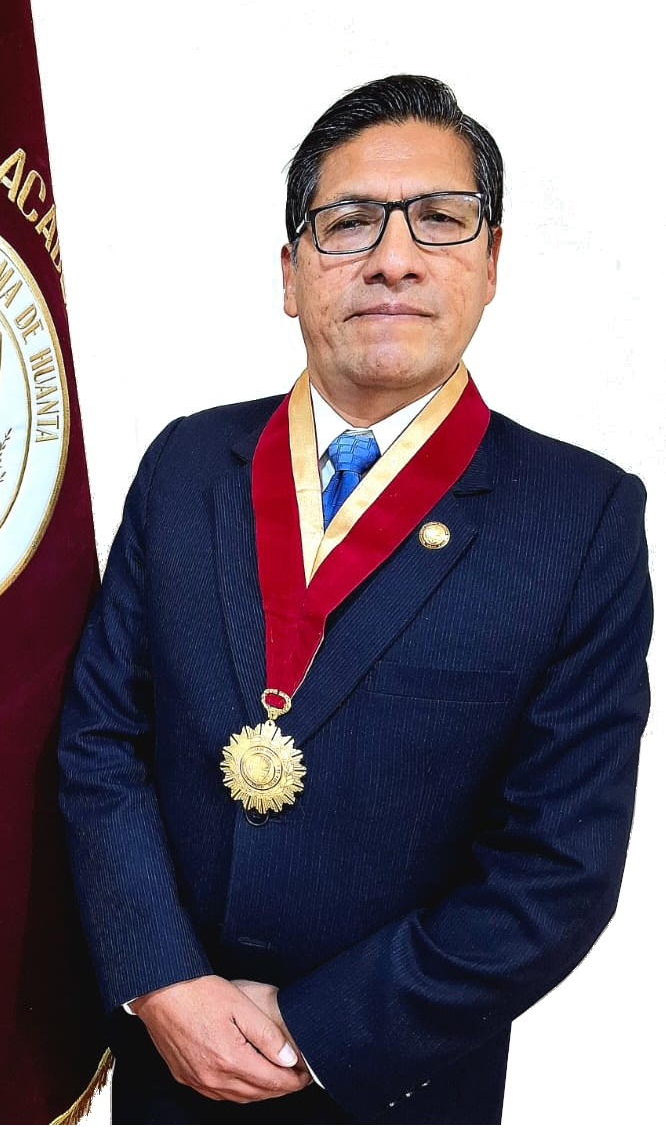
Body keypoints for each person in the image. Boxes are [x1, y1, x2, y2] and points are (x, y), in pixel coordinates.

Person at [58, 74, 652, 1124]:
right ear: (291, 275)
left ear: (492, 263)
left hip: (401, 1087)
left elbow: (558, 867)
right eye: (349, 223)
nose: (393, 257)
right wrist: (159, 978)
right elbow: (100, 739)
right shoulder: (188, 465)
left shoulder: (579, 518)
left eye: (440, 219)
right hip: (169, 1065)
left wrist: (319, 1030)